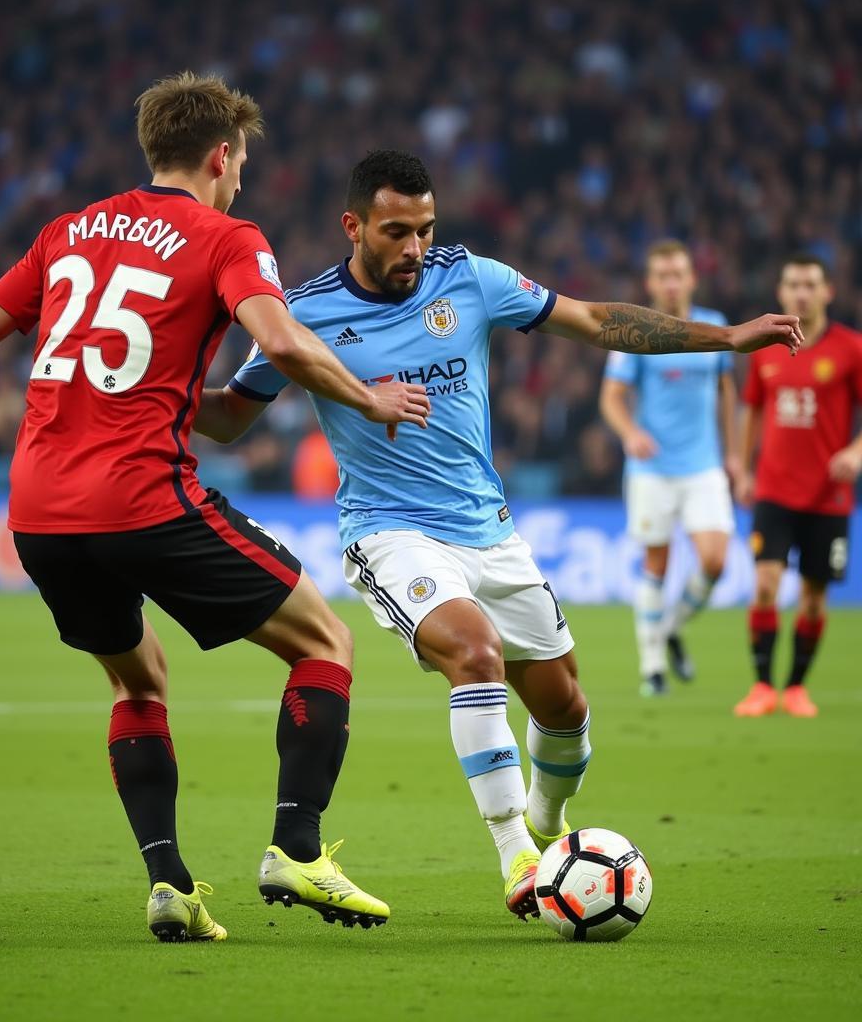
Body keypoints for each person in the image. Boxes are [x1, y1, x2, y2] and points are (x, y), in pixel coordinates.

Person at [0, 76, 433, 942]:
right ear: (219, 157)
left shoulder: (68, 230)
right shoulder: (226, 234)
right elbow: (277, 340)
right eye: (239, 161)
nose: (239, 176)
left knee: (137, 680)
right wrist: (369, 399)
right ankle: (297, 850)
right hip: (141, 496)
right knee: (323, 641)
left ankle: (169, 883)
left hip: (40, 512)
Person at [193, 150, 802, 919]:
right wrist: (142, 389)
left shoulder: (469, 278)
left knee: (567, 710)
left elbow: (592, 320)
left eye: (424, 229)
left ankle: (548, 826)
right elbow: (231, 416)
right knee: (473, 654)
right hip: (391, 533)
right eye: (394, 232)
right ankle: (518, 854)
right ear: (353, 226)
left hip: (492, 534)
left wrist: (729, 338)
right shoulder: (305, 313)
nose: (414, 247)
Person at [599, 239, 738, 697]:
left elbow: (726, 395)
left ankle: (671, 628)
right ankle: (653, 667)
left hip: (703, 465)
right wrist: (629, 433)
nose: (672, 283)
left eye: (679, 274)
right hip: (653, 469)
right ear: (650, 283)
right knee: (656, 563)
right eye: (663, 276)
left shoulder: (714, 327)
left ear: (692, 278)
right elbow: (612, 398)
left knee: (715, 561)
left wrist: (735, 454)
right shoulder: (637, 331)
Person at [734, 254, 862, 718]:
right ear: (781, 293)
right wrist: (743, 468)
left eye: (810, 284)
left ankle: (796, 688)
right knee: (765, 584)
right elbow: (751, 410)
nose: (801, 293)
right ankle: (763, 685)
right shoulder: (765, 348)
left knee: (813, 597)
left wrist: (854, 452)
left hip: (829, 496)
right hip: (773, 489)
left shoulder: (851, 348)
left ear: (828, 291)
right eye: (793, 285)